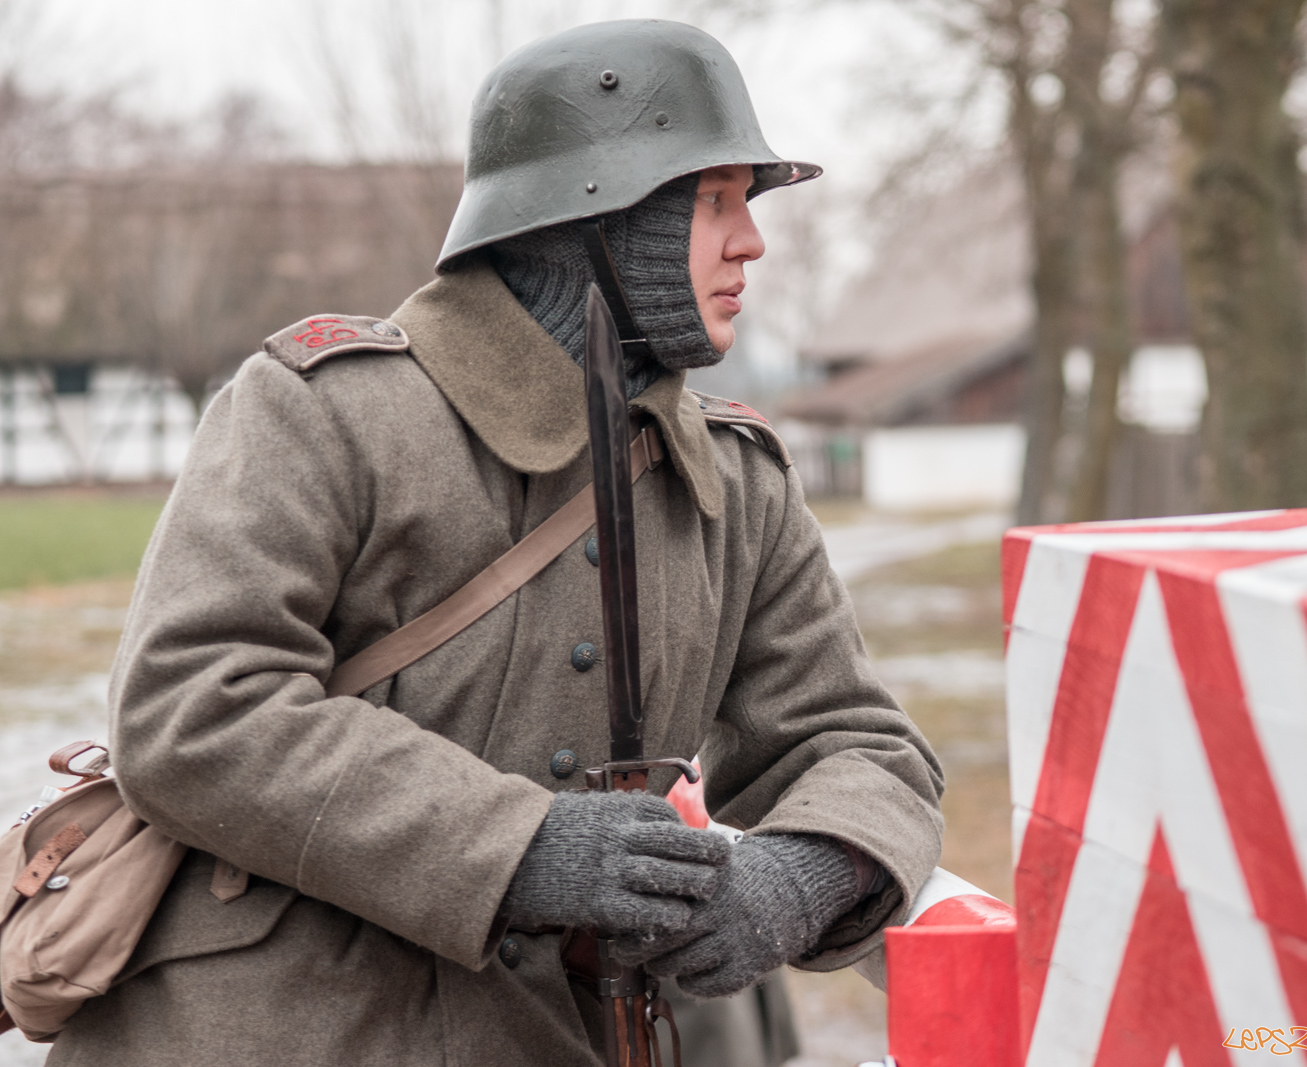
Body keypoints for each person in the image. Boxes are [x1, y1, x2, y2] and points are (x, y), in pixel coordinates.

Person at [46, 19, 942, 1066]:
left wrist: (798, 873)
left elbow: (854, 742)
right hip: (284, 1028)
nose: (751, 240)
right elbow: (191, 704)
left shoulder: (736, 478)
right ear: (593, 217)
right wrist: (520, 847)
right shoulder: (327, 410)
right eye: (713, 201)